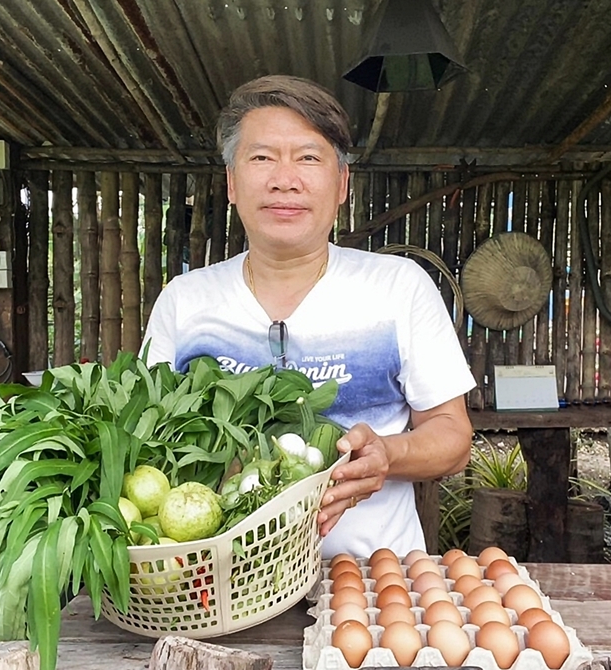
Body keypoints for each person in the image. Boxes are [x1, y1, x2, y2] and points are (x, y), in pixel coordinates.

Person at [142, 75, 475, 558]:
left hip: (371, 586)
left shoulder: (398, 288)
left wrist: (387, 453)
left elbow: (453, 436)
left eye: (308, 157)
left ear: (341, 184)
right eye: (261, 158)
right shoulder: (186, 302)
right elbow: (151, 442)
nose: (284, 179)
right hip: (218, 584)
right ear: (232, 183)